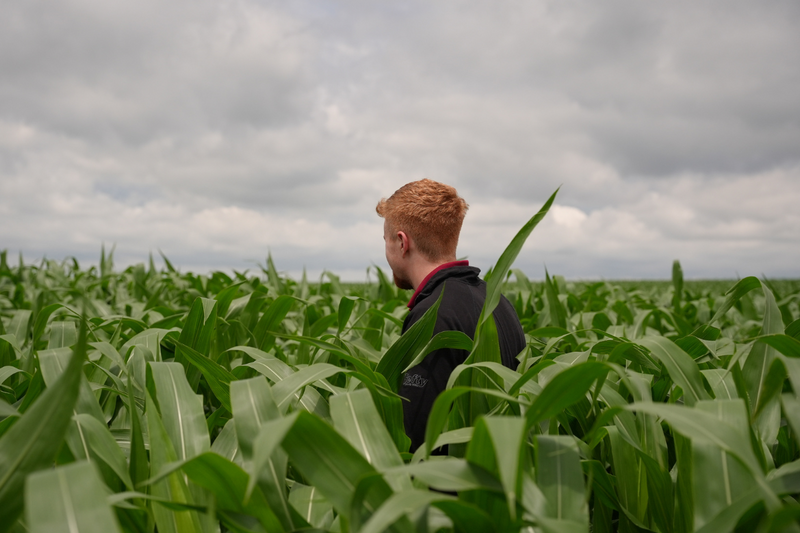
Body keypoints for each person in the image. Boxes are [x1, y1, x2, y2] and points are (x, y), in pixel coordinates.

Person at [376, 179, 526, 452]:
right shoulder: (497, 301)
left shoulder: (432, 316)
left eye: (385, 240)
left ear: (401, 243)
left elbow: (415, 441)